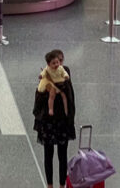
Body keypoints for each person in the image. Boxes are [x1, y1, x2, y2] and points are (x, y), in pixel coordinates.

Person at [33, 49, 75, 188]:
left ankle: (60, 184)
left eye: (61, 61)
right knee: (50, 154)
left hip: (58, 121)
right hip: (51, 122)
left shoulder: (65, 75)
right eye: (56, 61)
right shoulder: (47, 77)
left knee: (60, 155)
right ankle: (51, 185)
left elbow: (70, 99)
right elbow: (40, 96)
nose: (59, 64)